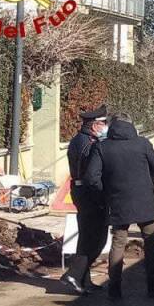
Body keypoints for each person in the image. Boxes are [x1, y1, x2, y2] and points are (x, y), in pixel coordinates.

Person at [85, 112, 154, 299]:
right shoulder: (142, 144)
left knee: (118, 243)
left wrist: (104, 193)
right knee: (151, 241)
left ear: (112, 126)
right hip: (144, 202)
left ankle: (114, 288)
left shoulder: (102, 147)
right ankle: (153, 285)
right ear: (131, 125)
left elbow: (91, 178)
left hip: (117, 202)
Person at [60, 105, 109, 295]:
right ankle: (73, 274)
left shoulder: (80, 139)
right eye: (104, 123)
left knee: (88, 236)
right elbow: (92, 174)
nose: (106, 127)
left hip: (81, 191)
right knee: (95, 237)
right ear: (95, 125)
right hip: (89, 193)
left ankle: (83, 278)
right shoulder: (88, 143)